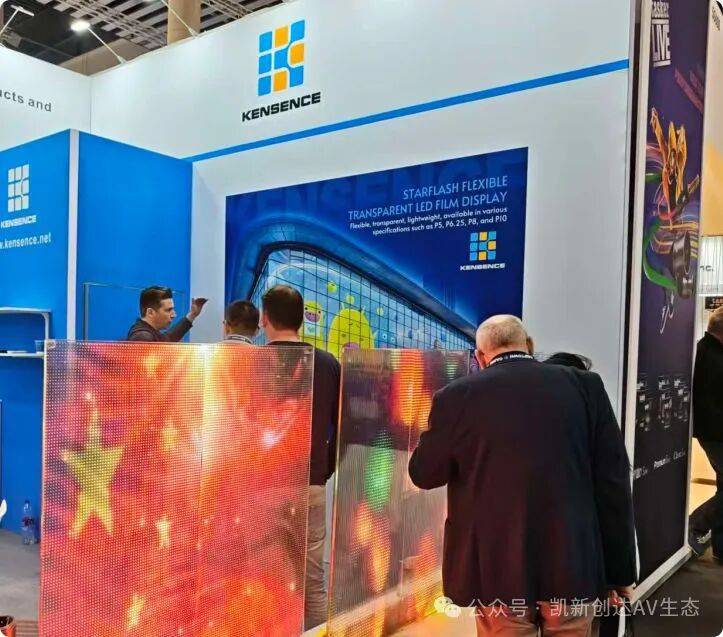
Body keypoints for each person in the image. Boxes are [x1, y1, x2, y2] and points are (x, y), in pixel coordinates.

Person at [409, 315, 636, 637]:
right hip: (572, 565)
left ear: (480, 356)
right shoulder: (585, 386)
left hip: (496, 572)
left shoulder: (456, 396)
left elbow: (424, 474)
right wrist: (621, 571)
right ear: (528, 345)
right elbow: (612, 482)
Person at [260, 284, 340, 630]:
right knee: (313, 577)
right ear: (301, 320)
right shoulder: (328, 364)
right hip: (311, 483)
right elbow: (341, 425)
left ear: (264, 319)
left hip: (260, 488)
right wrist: (325, 468)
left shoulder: (251, 363)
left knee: (263, 576)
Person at [689, 307, 723, 561]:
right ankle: (694, 525)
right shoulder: (709, 355)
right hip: (716, 433)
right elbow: (710, 402)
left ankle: (720, 547)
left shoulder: (710, 352)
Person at [127, 286, 207, 342]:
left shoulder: (149, 333)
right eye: (168, 310)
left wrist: (192, 314)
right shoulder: (143, 337)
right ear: (150, 312)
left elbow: (168, 338)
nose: (174, 315)